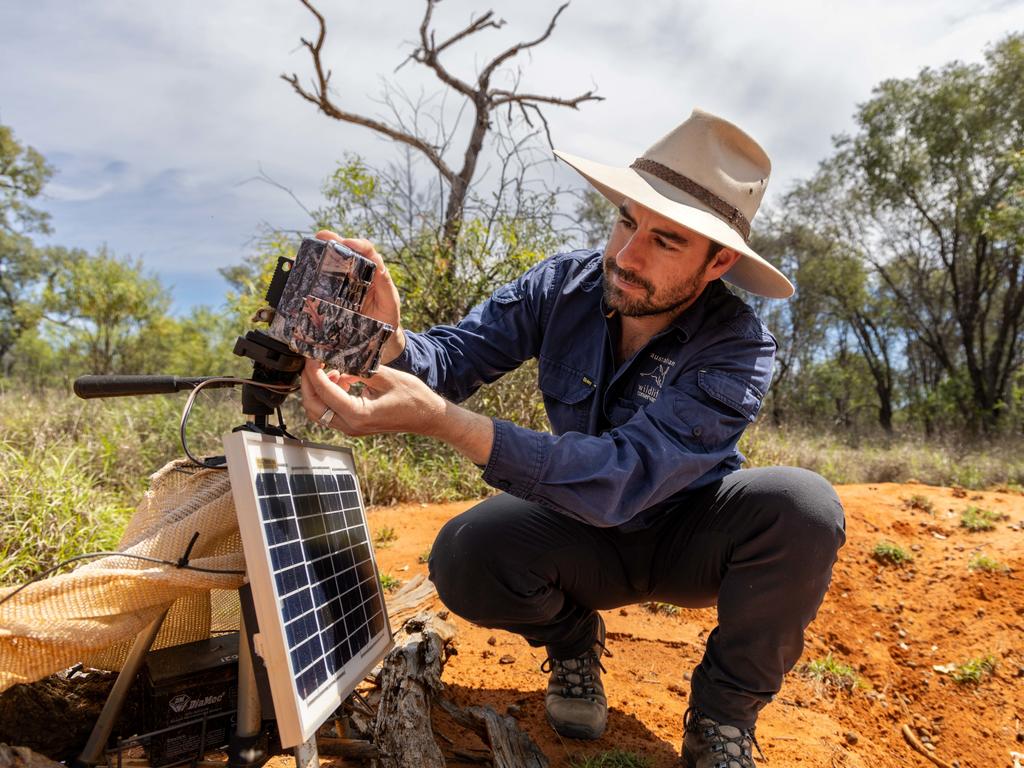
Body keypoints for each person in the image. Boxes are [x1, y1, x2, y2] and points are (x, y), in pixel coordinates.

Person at [299, 108, 846, 767]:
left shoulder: (739, 346)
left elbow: (627, 477)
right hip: (581, 535)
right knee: (465, 554)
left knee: (803, 506)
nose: (626, 254)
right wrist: (389, 343)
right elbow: (457, 357)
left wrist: (448, 423)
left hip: (689, 535)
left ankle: (722, 720)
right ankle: (572, 643)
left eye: (666, 241)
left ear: (719, 261)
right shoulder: (563, 285)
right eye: (625, 220)